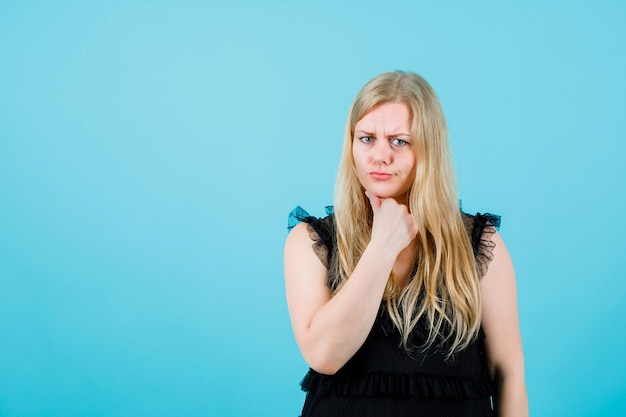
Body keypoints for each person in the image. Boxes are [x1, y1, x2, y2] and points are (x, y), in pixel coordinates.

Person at [284, 71, 528, 417]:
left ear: (428, 149)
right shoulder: (312, 242)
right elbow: (324, 355)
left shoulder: (479, 243)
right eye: (367, 138)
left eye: (399, 141)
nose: (380, 156)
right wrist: (383, 245)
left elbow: (510, 373)